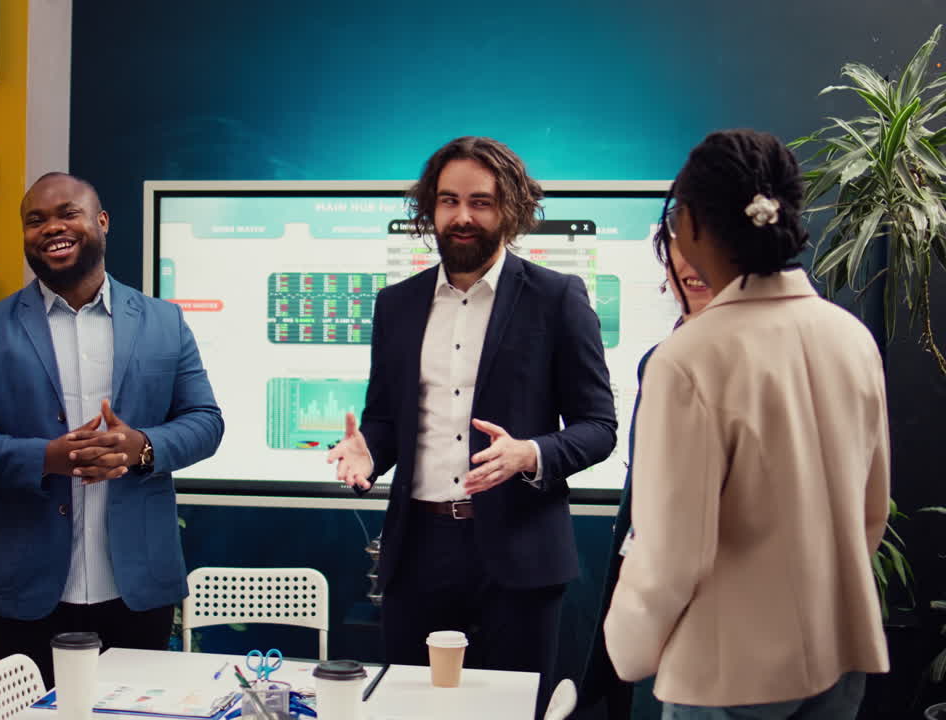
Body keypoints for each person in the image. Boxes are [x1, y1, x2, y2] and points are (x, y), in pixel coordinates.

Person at [605, 129, 890, 719]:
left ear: (688, 225)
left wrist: (627, 651)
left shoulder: (689, 358)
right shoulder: (850, 338)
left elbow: (669, 556)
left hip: (728, 671)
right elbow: (870, 512)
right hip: (838, 656)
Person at [326, 136, 617, 714]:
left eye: (480, 202)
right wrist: (367, 453)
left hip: (520, 553)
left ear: (510, 209)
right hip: (418, 553)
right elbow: (385, 420)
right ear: (428, 209)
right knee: (411, 709)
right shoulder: (396, 304)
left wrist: (529, 453)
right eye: (448, 200)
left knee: (509, 711)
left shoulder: (557, 298)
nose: (462, 216)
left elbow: (599, 425)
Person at [0, 172, 224, 688]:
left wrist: (143, 448)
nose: (51, 228)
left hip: (136, 586)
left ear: (101, 222)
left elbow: (206, 422)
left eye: (68, 213)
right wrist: (47, 457)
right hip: (25, 589)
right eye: (35, 220)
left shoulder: (164, 322)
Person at [580, 239, 713, 719]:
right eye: (682, 248)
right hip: (640, 569)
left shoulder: (730, 355)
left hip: (704, 618)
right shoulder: (662, 354)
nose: (693, 268)